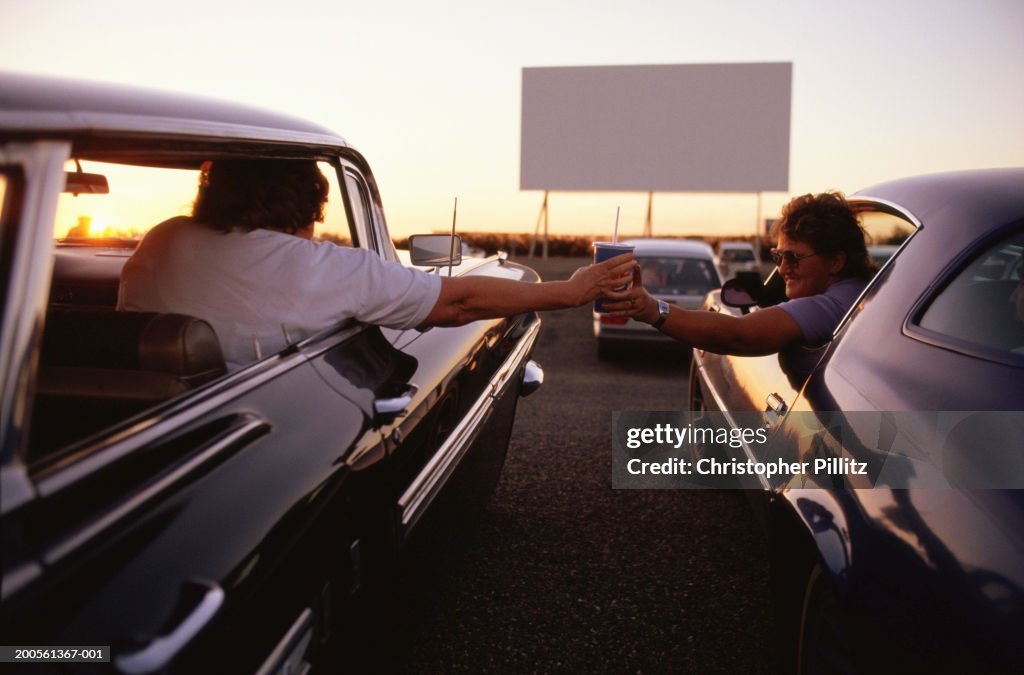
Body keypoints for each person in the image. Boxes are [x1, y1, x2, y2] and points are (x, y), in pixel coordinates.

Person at [119, 160, 634, 370]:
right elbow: (460, 302)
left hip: (134, 418)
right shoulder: (327, 267)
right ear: (306, 205)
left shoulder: (163, 238)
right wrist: (572, 289)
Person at [608, 191, 873, 375]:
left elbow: (735, 335)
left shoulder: (830, 306)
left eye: (794, 258)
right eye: (778, 256)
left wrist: (651, 310)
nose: (782, 269)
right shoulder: (861, 291)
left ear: (836, 261)